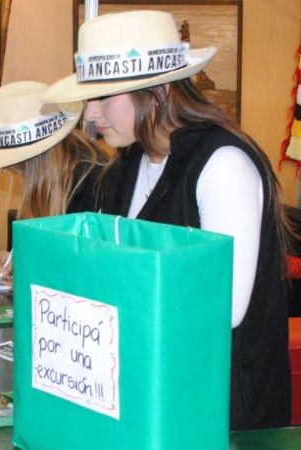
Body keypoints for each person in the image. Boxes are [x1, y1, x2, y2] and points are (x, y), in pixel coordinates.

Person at [42, 10, 292, 430]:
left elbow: (223, 308)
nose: (91, 113)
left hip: (224, 412)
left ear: (156, 91)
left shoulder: (223, 165)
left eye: (104, 97)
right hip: (154, 398)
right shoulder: (127, 167)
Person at [0, 81, 107, 280]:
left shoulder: (94, 183)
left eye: (15, 165)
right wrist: (17, 257)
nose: (10, 170)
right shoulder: (59, 175)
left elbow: (84, 264)